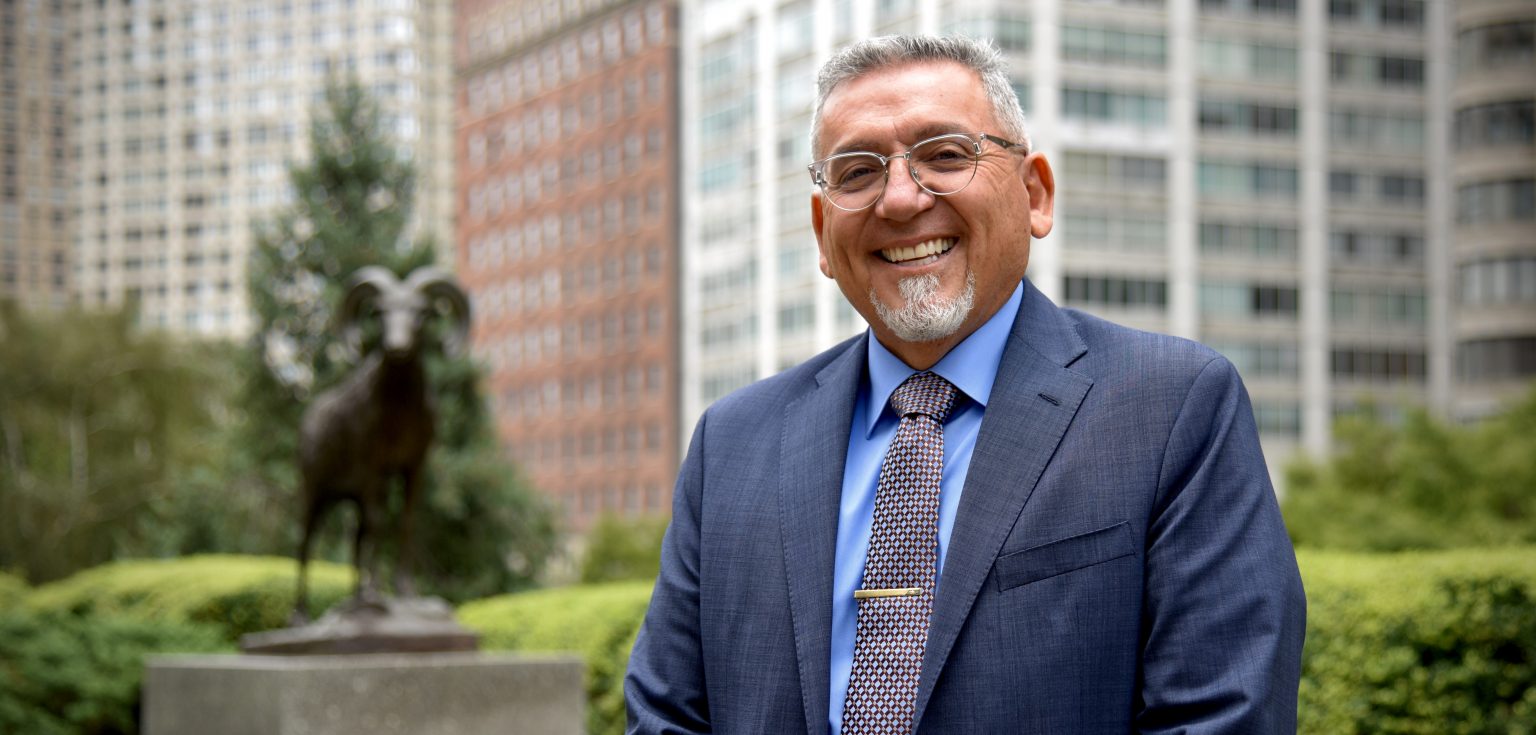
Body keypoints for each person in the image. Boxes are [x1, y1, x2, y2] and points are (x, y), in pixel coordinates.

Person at [626, 35, 1305, 734]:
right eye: (856, 172)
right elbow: (665, 714)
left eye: (945, 156)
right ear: (823, 229)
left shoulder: (1173, 407)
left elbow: (1222, 716)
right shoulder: (731, 442)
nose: (898, 198)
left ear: (1034, 194)